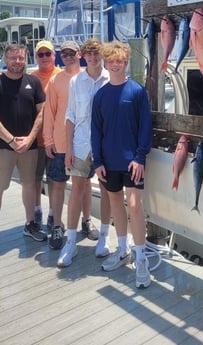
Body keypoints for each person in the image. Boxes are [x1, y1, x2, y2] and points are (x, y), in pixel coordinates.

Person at [91, 40, 153, 288]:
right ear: (106, 63)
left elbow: (145, 128)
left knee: (135, 206)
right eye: (112, 61)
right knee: (116, 204)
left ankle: (141, 259)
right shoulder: (100, 95)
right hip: (108, 161)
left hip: (132, 162)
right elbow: (96, 131)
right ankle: (123, 249)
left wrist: (140, 157)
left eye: (120, 61)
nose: (116, 64)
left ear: (126, 63)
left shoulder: (137, 92)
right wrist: (98, 161)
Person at [0, 43, 47, 259]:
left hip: (29, 146)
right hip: (3, 147)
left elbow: (41, 113)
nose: (17, 61)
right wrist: (11, 140)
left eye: (20, 57)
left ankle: (30, 224)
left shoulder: (34, 83)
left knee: (30, 185)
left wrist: (29, 139)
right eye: (12, 57)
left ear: (25, 58)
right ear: (5, 58)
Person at [57, 38, 111, 267]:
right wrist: (68, 148)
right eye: (89, 54)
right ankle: (70, 242)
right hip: (80, 143)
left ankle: (105, 238)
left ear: (102, 55)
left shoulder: (111, 78)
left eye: (96, 53)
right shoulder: (76, 81)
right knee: (77, 190)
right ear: (83, 56)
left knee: (108, 190)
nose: (93, 57)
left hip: (106, 144)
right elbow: (69, 116)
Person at [43, 41, 82, 250]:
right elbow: (48, 112)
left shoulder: (87, 77)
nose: (68, 56)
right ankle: (57, 225)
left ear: (79, 54)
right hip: (59, 142)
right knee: (58, 184)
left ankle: (85, 221)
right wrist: (48, 140)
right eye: (64, 53)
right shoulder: (55, 80)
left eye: (71, 53)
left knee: (81, 185)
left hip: (82, 143)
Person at [31, 40, 62, 231]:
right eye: (40, 54)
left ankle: (53, 213)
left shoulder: (61, 76)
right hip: (35, 139)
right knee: (34, 179)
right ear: (36, 57)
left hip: (57, 140)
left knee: (54, 180)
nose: (44, 57)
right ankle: (36, 211)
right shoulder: (31, 77)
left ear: (54, 55)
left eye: (47, 54)